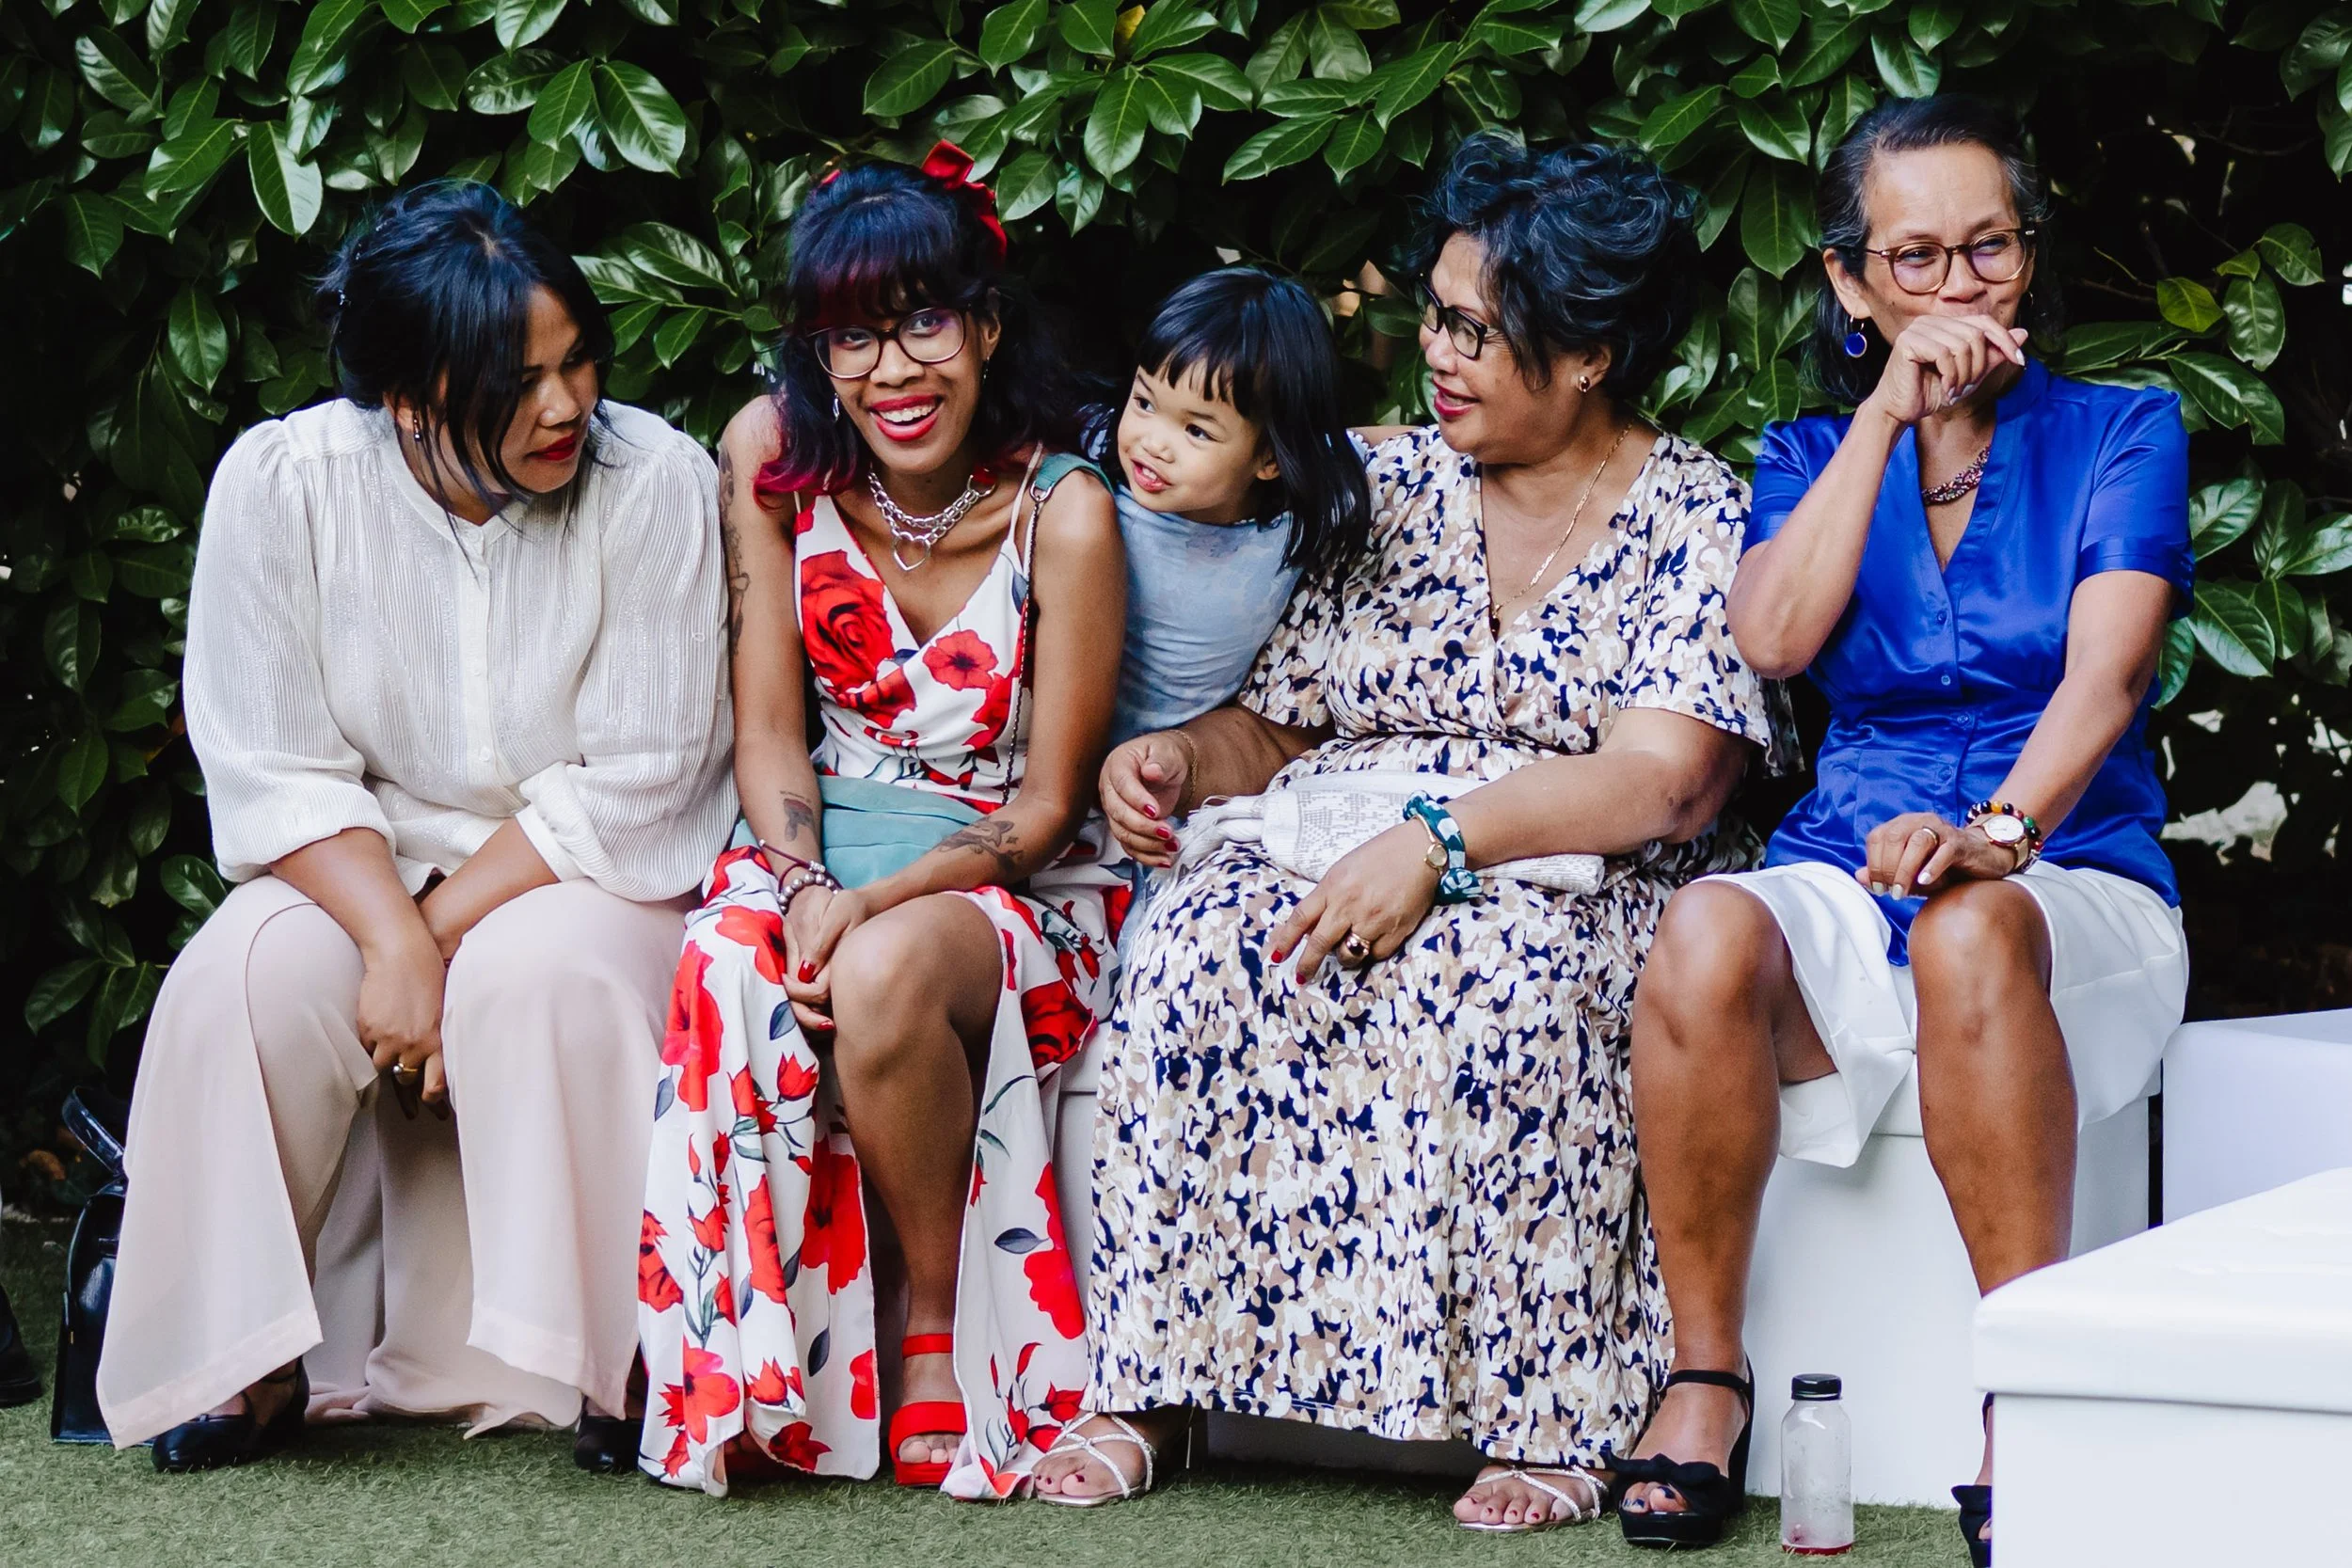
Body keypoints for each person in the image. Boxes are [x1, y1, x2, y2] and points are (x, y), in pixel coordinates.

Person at [1031, 134, 1781, 1530]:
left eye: (1475, 332)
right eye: (1435, 315)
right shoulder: (1391, 486)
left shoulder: (1696, 512)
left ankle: (1552, 1413)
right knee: (1200, 942)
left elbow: (1667, 780)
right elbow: (1284, 720)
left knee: (1506, 984)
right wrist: (1179, 757)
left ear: (1589, 354)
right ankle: (1156, 1383)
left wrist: (1441, 843)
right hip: (1345, 821)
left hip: (1573, 864)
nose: (1433, 352)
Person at [1615, 97, 2191, 1562]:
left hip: (2066, 877)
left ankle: (2020, 1402)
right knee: (1700, 929)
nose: (1954, 290)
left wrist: (2001, 829)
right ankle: (1702, 1378)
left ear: (2028, 256)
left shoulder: (2125, 428)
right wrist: (1888, 412)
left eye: (1985, 249)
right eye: (1915, 258)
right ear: (1850, 282)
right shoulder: (1814, 451)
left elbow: (2107, 675)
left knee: (1972, 920)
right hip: (1853, 858)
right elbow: (1773, 632)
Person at [95, 182, 735, 1471]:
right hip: (354, 861)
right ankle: (247, 1359)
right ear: (406, 396)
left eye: (576, 361)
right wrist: (386, 929)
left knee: (542, 971)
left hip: (584, 868)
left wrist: (425, 942)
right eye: (517, 380)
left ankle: (617, 1354)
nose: (563, 405)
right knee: (248, 975)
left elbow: (643, 770)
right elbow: (270, 761)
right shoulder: (281, 485)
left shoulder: (654, 476)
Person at [635, 145, 1127, 1499]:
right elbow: (772, 730)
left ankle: (927, 1331)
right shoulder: (773, 458)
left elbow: (1047, 808)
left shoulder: (1063, 512)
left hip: (1003, 877)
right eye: (853, 335)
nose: (893, 371)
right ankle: (737, 1368)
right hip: (806, 839)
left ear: (984, 324)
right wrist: (796, 876)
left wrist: (872, 901)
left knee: (884, 967)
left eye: (922, 321)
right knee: (730, 960)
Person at [1095, 265, 1371, 751]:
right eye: (1144, 402)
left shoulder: (1299, 513)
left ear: (1269, 459)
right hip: (1056, 751)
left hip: (1175, 767)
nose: (1152, 443)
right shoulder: (1092, 490)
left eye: (1196, 430)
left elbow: (1371, 447)